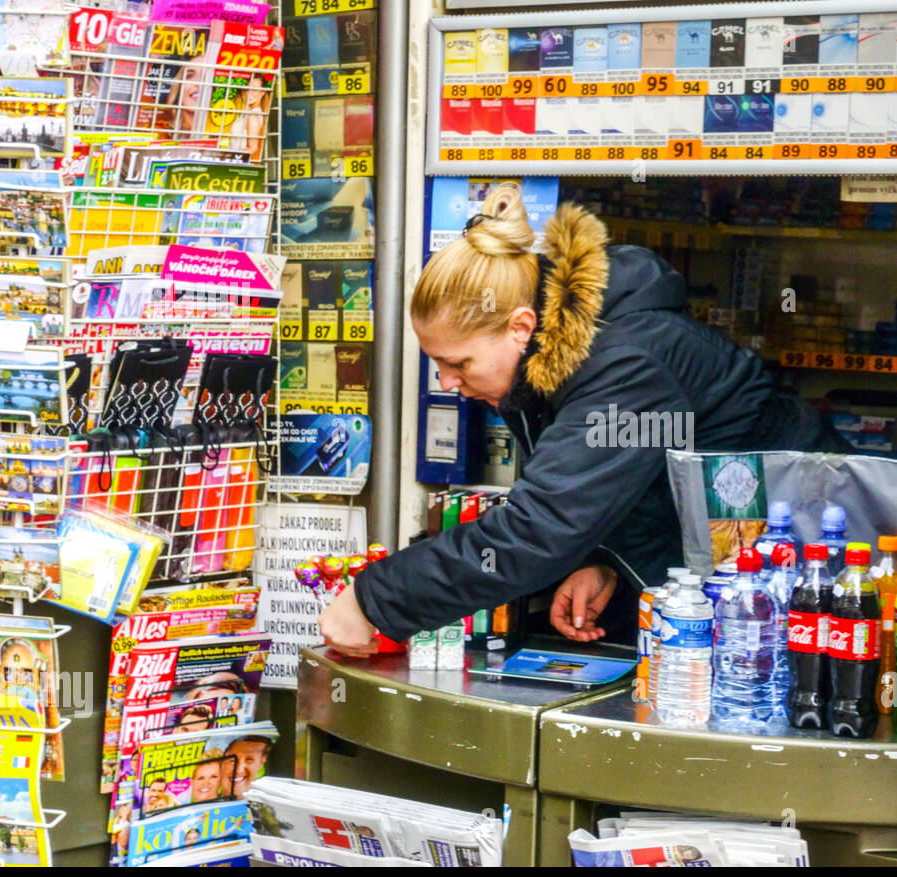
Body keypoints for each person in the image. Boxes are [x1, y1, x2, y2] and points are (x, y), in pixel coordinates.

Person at [319, 185, 851, 653]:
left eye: (458, 363)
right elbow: (640, 477)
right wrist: (606, 563)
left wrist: (375, 599)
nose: (447, 383)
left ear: (521, 327)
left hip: (798, 570)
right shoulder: (558, 359)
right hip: (728, 572)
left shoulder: (625, 364)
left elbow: (537, 529)